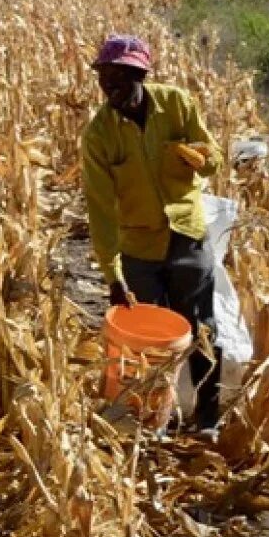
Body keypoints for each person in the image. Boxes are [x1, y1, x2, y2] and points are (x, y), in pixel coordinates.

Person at [80, 35, 224, 433]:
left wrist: (200, 157)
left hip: (185, 235)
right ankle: (153, 421)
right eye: (104, 78)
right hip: (138, 247)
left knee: (203, 330)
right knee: (150, 344)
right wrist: (113, 275)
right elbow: (101, 209)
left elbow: (213, 159)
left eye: (121, 78)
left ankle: (208, 417)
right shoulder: (99, 135)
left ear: (141, 75)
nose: (111, 87)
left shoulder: (177, 104)